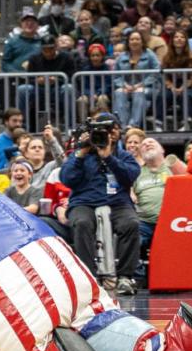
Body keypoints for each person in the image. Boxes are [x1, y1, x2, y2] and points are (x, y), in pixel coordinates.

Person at [60, 113, 141, 295]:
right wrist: (80, 153)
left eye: (111, 130)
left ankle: (125, 277)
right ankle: (89, 277)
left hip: (117, 202)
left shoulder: (124, 155)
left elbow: (131, 175)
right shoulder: (82, 153)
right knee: (82, 223)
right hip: (84, 202)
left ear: (118, 132)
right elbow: (67, 179)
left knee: (131, 223)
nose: (106, 135)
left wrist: (109, 157)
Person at [112, 31, 160, 130]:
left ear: (142, 41)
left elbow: (156, 71)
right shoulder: (122, 56)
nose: (134, 42)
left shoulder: (150, 54)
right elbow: (116, 76)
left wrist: (141, 85)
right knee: (119, 92)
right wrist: (124, 85)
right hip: (127, 87)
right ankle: (123, 125)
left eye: (137, 39)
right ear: (128, 42)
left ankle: (134, 125)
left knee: (139, 92)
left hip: (147, 87)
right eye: (132, 39)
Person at [132, 137, 170, 255]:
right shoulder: (136, 172)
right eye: (143, 144)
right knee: (131, 238)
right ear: (141, 154)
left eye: (151, 142)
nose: (147, 144)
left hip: (171, 222)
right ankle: (137, 274)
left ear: (162, 149)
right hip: (144, 223)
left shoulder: (173, 167)